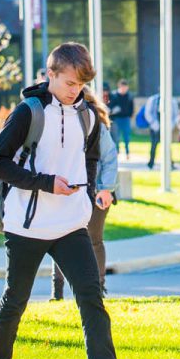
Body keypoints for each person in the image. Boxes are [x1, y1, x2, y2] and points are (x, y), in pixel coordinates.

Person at [0, 42, 141, 359]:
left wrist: (85, 196)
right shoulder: (29, 112)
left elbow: (88, 158)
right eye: (70, 83)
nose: (76, 90)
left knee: (91, 294)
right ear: (50, 75)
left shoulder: (86, 114)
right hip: (27, 225)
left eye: (82, 84)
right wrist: (45, 182)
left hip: (71, 224)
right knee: (16, 299)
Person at [53, 90, 119, 301]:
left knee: (94, 240)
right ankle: (58, 292)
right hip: (67, 190)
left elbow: (109, 157)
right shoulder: (58, 122)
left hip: (96, 191)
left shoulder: (95, 125)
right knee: (59, 239)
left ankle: (99, 288)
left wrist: (106, 188)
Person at [108, 80, 135, 159]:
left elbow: (132, 107)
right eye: (122, 87)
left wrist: (130, 115)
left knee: (127, 137)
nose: (124, 89)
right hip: (117, 119)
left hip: (126, 119)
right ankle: (117, 152)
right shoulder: (114, 95)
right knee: (116, 137)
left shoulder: (130, 96)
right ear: (119, 87)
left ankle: (127, 153)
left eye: (125, 87)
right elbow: (111, 106)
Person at [142, 92, 163, 169]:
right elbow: (148, 113)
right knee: (154, 145)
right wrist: (154, 123)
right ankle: (151, 162)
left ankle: (170, 163)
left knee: (167, 145)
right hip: (155, 126)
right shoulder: (153, 99)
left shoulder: (170, 99)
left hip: (165, 125)